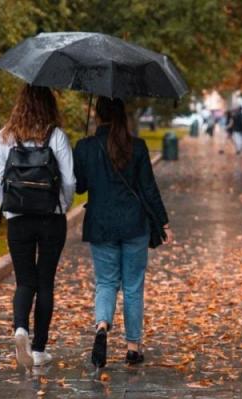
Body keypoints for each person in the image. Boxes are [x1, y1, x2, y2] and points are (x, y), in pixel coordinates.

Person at [73, 96, 171, 368]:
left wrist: (81, 156)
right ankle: (132, 347)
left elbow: (79, 187)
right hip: (134, 224)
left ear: (98, 116)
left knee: (106, 282)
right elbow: (148, 188)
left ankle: (102, 326)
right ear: (123, 117)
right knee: (133, 285)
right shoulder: (137, 147)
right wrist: (163, 222)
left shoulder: (85, 147)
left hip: (100, 224)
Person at [0, 85, 75, 368]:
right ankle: (38, 350)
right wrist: (63, 205)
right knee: (45, 281)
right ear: (50, 106)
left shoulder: (5, 137)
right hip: (51, 218)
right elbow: (69, 181)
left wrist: (10, 207)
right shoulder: (56, 136)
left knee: (25, 280)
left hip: (18, 221)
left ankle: (20, 329)